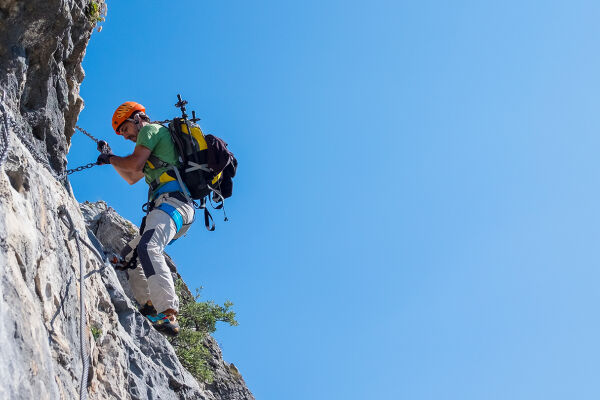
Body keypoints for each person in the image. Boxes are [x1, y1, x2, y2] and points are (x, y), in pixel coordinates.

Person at [97, 101, 195, 336]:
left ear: (136, 119)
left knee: (149, 247)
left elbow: (134, 164)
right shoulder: (156, 145)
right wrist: (109, 156)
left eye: (125, 130)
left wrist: (111, 159)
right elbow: (132, 177)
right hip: (173, 208)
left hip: (173, 203)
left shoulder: (151, 130)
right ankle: (150, 306)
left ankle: (168, 311)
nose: (126, 137)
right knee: (128, 258)